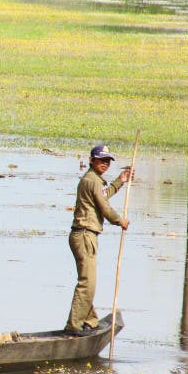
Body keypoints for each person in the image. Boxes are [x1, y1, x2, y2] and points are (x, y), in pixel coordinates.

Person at [65, 144, 132, 336]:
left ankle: (90, 320)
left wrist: (120, 181)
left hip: (85, 236)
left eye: (107, 161)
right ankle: (74, 325)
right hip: (84, 234)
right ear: (91, 160)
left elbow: (103, 196)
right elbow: (105, 207)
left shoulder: (94, 180)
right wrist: (120, 221)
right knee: (88, 282)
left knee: (88, 281)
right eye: (101, 160)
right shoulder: (92, 180)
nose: (104, 164)